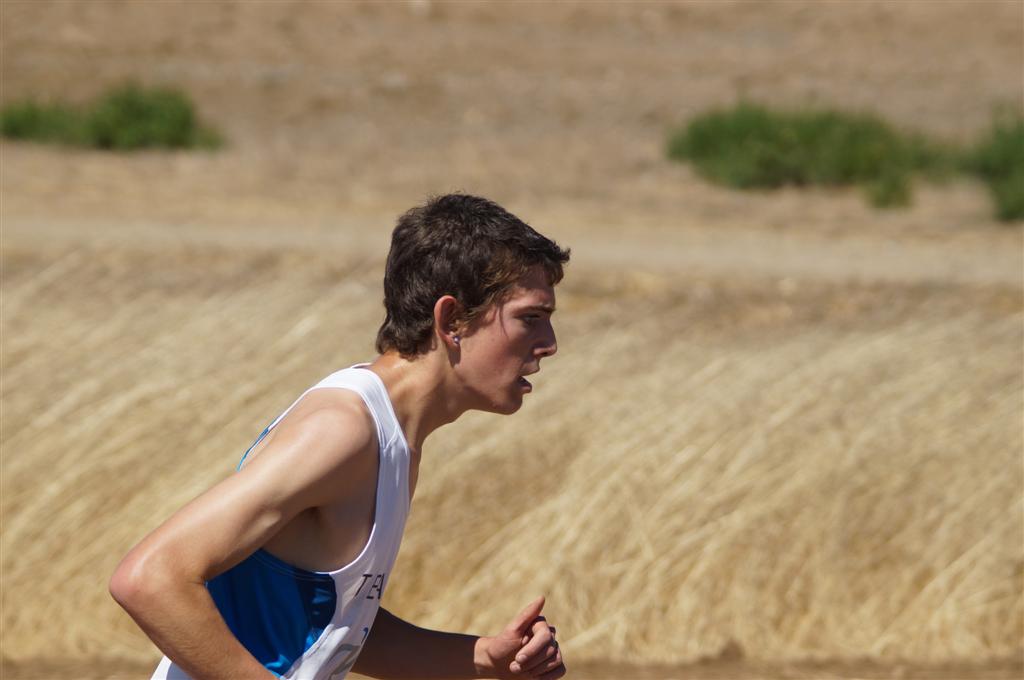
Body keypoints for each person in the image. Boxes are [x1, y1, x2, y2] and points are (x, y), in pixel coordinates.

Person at [109, 194, 571, 680]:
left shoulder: (394, 437)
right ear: (451, 320)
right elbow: (148, 578)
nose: (550, 344)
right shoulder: (345, 430)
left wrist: (483, 658)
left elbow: (337, 627)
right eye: (530, 318)